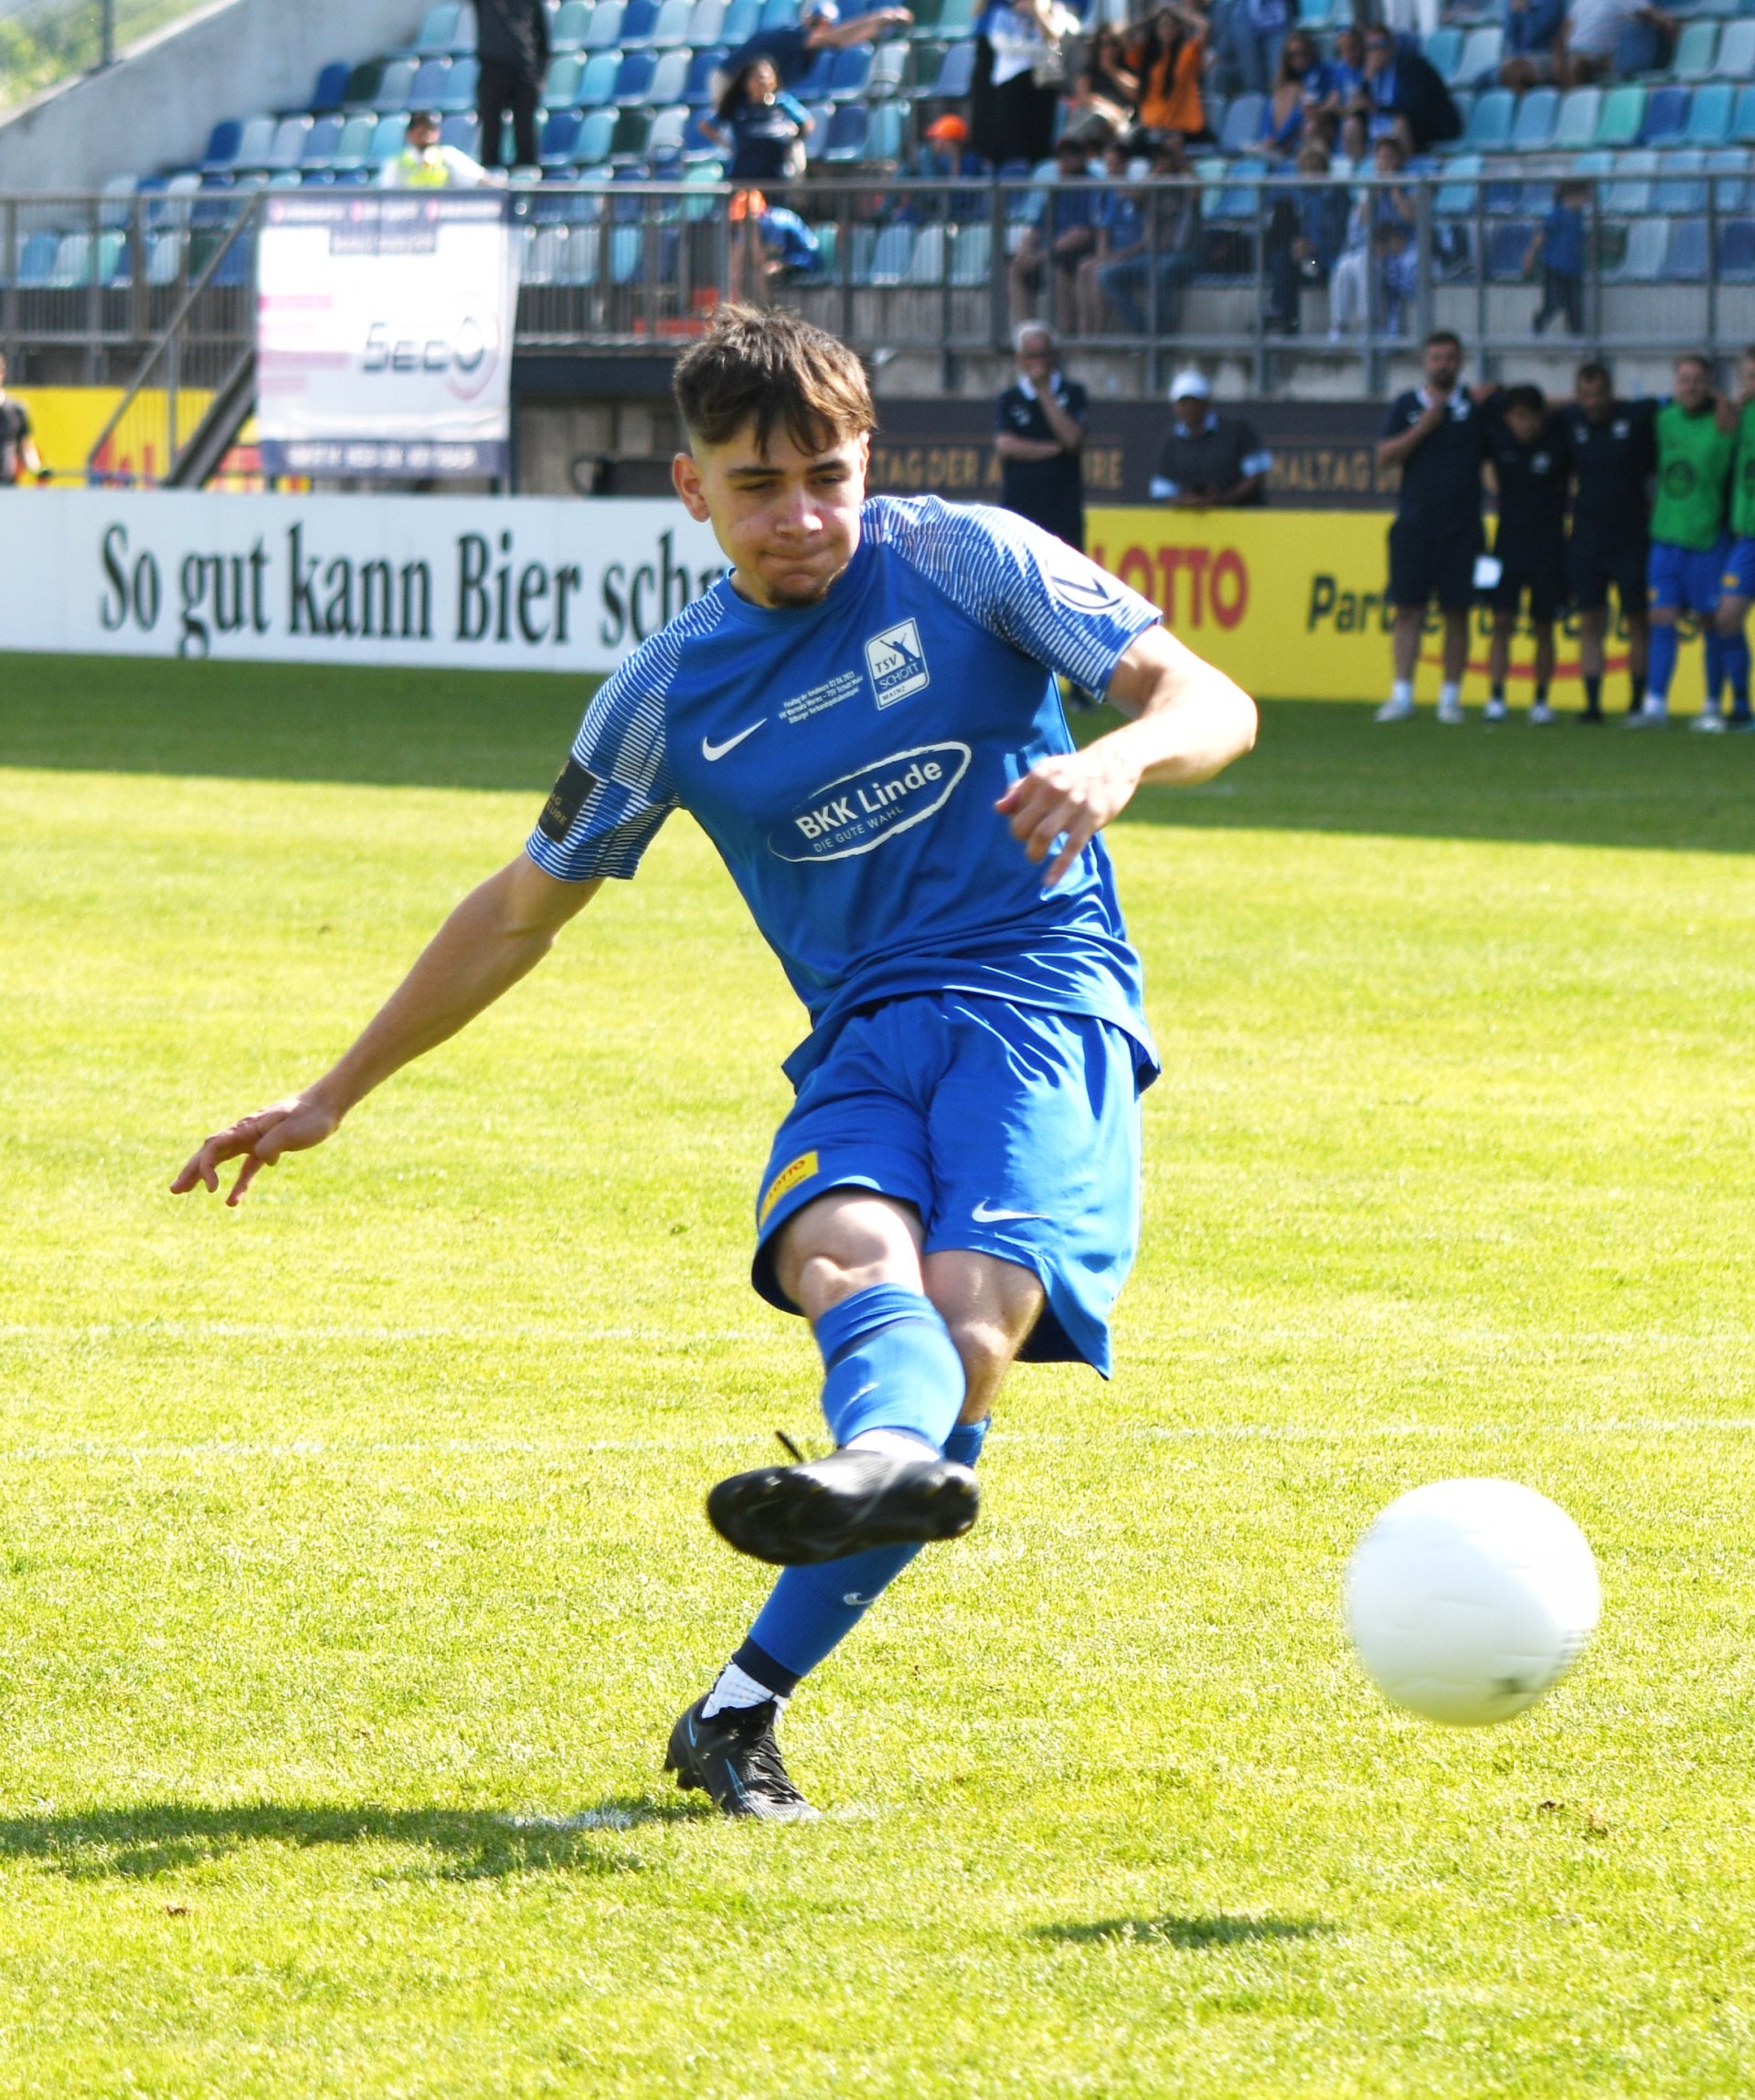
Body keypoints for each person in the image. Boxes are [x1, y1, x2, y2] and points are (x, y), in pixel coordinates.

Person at [172, 304, 1257, 1823]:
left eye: (829, 473)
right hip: (864, 1036)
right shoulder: (669, 695)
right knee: (840, 1254)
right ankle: (765, 1661)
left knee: (971, 1324)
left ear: (868, 458)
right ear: (692, 490)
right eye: (761, 485)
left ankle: (836, 1532)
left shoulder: (966, 558)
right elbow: (514, 912)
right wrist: (330, 1092)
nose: (805, 513)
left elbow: (1211, 695)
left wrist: (1117, 755)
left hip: (1041, 1004)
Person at [1376, 330, 1493, 725]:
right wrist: (1424, 427)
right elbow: (1385, 457)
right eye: (1437, 357)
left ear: (1460, 363)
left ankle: (1450, 699)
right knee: (1407, 612)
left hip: (1462, 530)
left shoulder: (1475, 408)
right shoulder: (1408, 405)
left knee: (1457, 613)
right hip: (1414, 527)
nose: (1443, 364)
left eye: (1450, 358)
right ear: (1426, 362)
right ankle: (1403, 695)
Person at [1638, 352, 1738, 727]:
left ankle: (1712, 704)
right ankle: (1655, 705)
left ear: (1710, 384)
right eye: (1684, 379)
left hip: (1708, 540)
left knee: (1711, 622)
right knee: (1660, 618)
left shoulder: (1726, 423)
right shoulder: (1663, 420)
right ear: (1674, 384)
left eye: (1698, 379)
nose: (1690, 386)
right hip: (1665, 539)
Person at [1558, 359, 1655, 721]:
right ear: (1577, 395)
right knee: (1590, 620)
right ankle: (1593, 704)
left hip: (1631, 536)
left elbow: (1668, 402)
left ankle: (1637, 702)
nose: (1593, 402)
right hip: (1587, 537)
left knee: (1637, 621)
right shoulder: (1571, 421)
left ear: (1611, 392)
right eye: (1585, 395)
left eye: (1599, 394)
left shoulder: (1636, 416)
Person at [1482, 385, 1573, 724]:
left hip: (1550, 547)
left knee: (1544, 626)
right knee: (1500, 621)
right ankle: (1496, 698)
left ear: (1541, 415)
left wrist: (1558, 400)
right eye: (1518, 417)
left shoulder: (1557, 443)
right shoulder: (1498, 441)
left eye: (1532, 416)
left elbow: (1579, 410)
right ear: (1508, 418)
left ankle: (1540, 701)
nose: (1525, 424)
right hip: (1504, 546)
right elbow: (1487, 405)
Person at [994, 322, 1090, 546]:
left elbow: (1072, 439)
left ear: (1054, 356)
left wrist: (1044, 392)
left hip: (1063, 511)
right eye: (1031, 356)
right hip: (1020, 511)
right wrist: (1055, 449)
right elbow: (1006, 446)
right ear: (1020, 359)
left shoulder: (1072, 392)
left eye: (1043, 355)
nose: (1038, 362)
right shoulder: (1010, 398)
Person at [1094, 138, 1200, 334]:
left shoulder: (1187, 182)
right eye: (1158, 158)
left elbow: (1195, 192)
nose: (1162, 161)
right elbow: (1135, 196)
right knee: (1106, 275)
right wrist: (1157, 171)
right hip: (1151, 256)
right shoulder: (1151, 189)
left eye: (1165, 158)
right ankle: (1145, 332)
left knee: (1161, 271)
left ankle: (1162, 335)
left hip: (1181, 255)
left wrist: (1179, 162)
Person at [1007, 134, 1101, 329]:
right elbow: (1037, 228)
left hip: (1076, 253)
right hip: (1047, 253)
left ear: (1082, 158)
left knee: (1057, 270)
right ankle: (1028, 332)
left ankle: (1069, 335)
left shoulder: (1091, 186)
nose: (1067, 161)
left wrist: (1041, 256)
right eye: (1062, 157)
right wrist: (1024, 251)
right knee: (1014, 268)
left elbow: (1081, 234)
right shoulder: (1057, 189)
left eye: (1072, 156)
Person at [719, 0, 914, 93]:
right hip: (728, 82)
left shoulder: (812, 46)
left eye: (824, 24)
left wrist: (881, 24)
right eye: (815, 22)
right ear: (807, 20)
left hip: (751, 93)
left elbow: (842, 39)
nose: (819, 27)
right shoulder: (793, 33)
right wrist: (880, 18)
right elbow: (839, 37)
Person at [1328, 136, 1417, 339]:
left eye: (1389, 158)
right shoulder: (1368, 187)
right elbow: (1363, 221)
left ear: (1397, 161)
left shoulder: (1410, 184)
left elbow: (1409, 217)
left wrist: (1394, 188)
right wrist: (1373, 194)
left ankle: (1372, 325)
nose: (1385, 163)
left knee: (1364, 263)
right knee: (1344, 266)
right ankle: (1338, 327)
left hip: (1401, 250)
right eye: (1381, 157)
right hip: (1370, 248)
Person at [1711, 344, 1755, 732]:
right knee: (1726, 618)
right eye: (1748, 376)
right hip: (1748, 539)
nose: (1750, 384)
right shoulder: (1743, 417)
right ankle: (1741, 706)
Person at [1148, 371, 1271, 507]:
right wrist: (1187, 502)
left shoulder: (1237, 431)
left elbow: (1256, 475)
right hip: (1192, 526)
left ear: (1207, 402)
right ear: (1174, 406)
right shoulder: (1171, 443)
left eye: (1194, 401)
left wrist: (1224, 499)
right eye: (1183, 402)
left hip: (1240, 521)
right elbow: (1164, 490)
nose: (1189, 407)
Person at [1264, 141, 1349, 336]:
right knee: (1283, 260)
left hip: (1326, 261)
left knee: (1302, 262)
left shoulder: (1336, 196)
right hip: (1306, 260)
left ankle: (1282, 317)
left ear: (1324, 169)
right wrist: (1297, 246)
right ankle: (1285, 322)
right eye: (1306, 168)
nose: (1310, 173)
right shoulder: (1298, 198)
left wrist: (1314, 247)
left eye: (1315, 168)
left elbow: (1341, 235)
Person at [1353, 25, 1461, 154]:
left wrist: (1376, 107)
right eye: (1371, 47)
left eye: (1381, 44)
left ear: (1392, 46)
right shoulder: (1370, 73)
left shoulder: (1411, 66)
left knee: (1400, 122)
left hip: (1425, 126)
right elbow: (1359, 106)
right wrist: (1366, 81)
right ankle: (1359, 170)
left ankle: (1401, 169)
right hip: (1384, 126)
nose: (1376, 51)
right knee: (1351, 125)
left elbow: (1414, 108)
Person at [473, 0, 548, 171]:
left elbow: (542, 35)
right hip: (492, 69)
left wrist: (539, 73)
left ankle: (526, 179)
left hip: (524, 72)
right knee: (491, 130)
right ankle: (491, 179)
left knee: (525, 131)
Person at [1127, 4, 1207, 146]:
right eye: (1163, 26)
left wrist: (1178, 13)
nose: (1167, 30)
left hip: (1182, 127)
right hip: (1152, 125)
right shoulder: (1148, 57)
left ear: (1178, 29)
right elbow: (1124, 35)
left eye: (1171, 26)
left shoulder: (1187, 54)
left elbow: (1205, 27)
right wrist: (1151, 18)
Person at [1260, 28, 1345, 160]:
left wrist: (1279, 139)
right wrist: (1268, 136)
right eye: (1293, 55)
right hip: (1287, 135)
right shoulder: (1284, 83)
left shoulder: (1321, 72)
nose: (1299, 59)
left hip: (1320, 127)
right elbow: (1269, 112)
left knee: (1309, 123)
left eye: (1303, 53)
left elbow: (1304, 110)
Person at [1558, 0, 1675, 88]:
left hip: (1599, 60)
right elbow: (1665, 22)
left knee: (1580, 63)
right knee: (1578, 62)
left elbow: (1664, 21)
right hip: (1580, 58)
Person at [1524, 181, 1587, 336]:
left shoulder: (1578, 217)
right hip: (1554, 267)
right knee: (1553, 303)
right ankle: (1537, 326)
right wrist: (1530, 256)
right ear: (1571, 196)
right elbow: (1540, 236)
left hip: (1574, 269)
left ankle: (1577, 340)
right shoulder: (1556, 214)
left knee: (1575, 306)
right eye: (1583, 197)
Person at [378, 109, 494, 188]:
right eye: (420, 129)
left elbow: (479, 179)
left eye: (430, 129)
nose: (426, 133)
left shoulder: (448, 155)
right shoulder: (395, 163)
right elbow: (385, 193)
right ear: (409, 134)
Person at [1500, 0, 1567, 89]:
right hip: (1517, 56)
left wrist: (1525, 11)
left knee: (1514, 70)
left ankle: (1521, 101)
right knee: (1484, 77)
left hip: (1546, 55)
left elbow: (1532, 36)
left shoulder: (1551, 2)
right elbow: (1510, 35)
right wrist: (1514, 14)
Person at [0, 354, 44, 487]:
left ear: (2, 374)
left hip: (7, 485)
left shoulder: (17, 410)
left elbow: (25, 447)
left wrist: (38, 470)